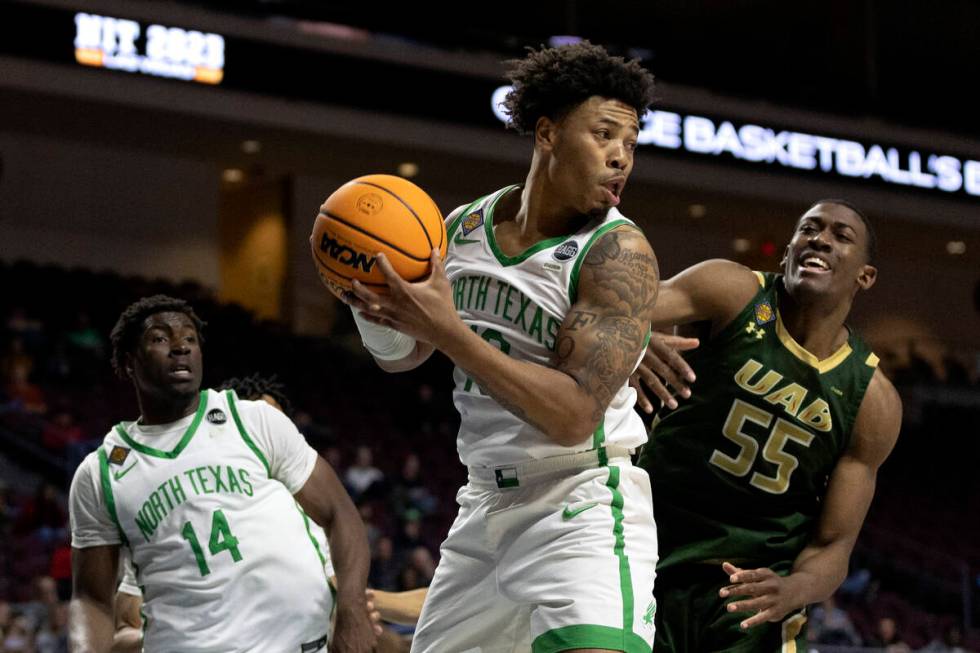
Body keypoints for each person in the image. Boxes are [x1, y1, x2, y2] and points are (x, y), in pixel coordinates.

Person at [341, 41, 661, 652]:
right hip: (484, 504)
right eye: (604, 135)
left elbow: (573, 415)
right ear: (547, 132)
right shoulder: (461, 228)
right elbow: (400, 356)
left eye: (631, 144)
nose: (621, 157)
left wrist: (447, 331)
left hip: (582, 504)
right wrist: (370, 302)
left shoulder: (618, 252)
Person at [632, 200, 903, 651]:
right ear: (788, 252)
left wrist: (793, 591)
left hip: (749, 590)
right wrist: (631, 340)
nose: (820, 239)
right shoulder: (731, 291)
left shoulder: (873, 400)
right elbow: (607, 309)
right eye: (809, 229)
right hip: (645, 545)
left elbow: (833, 546)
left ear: (865, 276)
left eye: (841, 235)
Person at [68, 295, 375, 652]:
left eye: (190, 338)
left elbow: (340, 513)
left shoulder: (252, 420)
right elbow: (91, 599)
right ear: (128, 362)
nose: (180, 347)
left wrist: (353, 613)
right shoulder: (101, 472)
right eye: (160, 338)